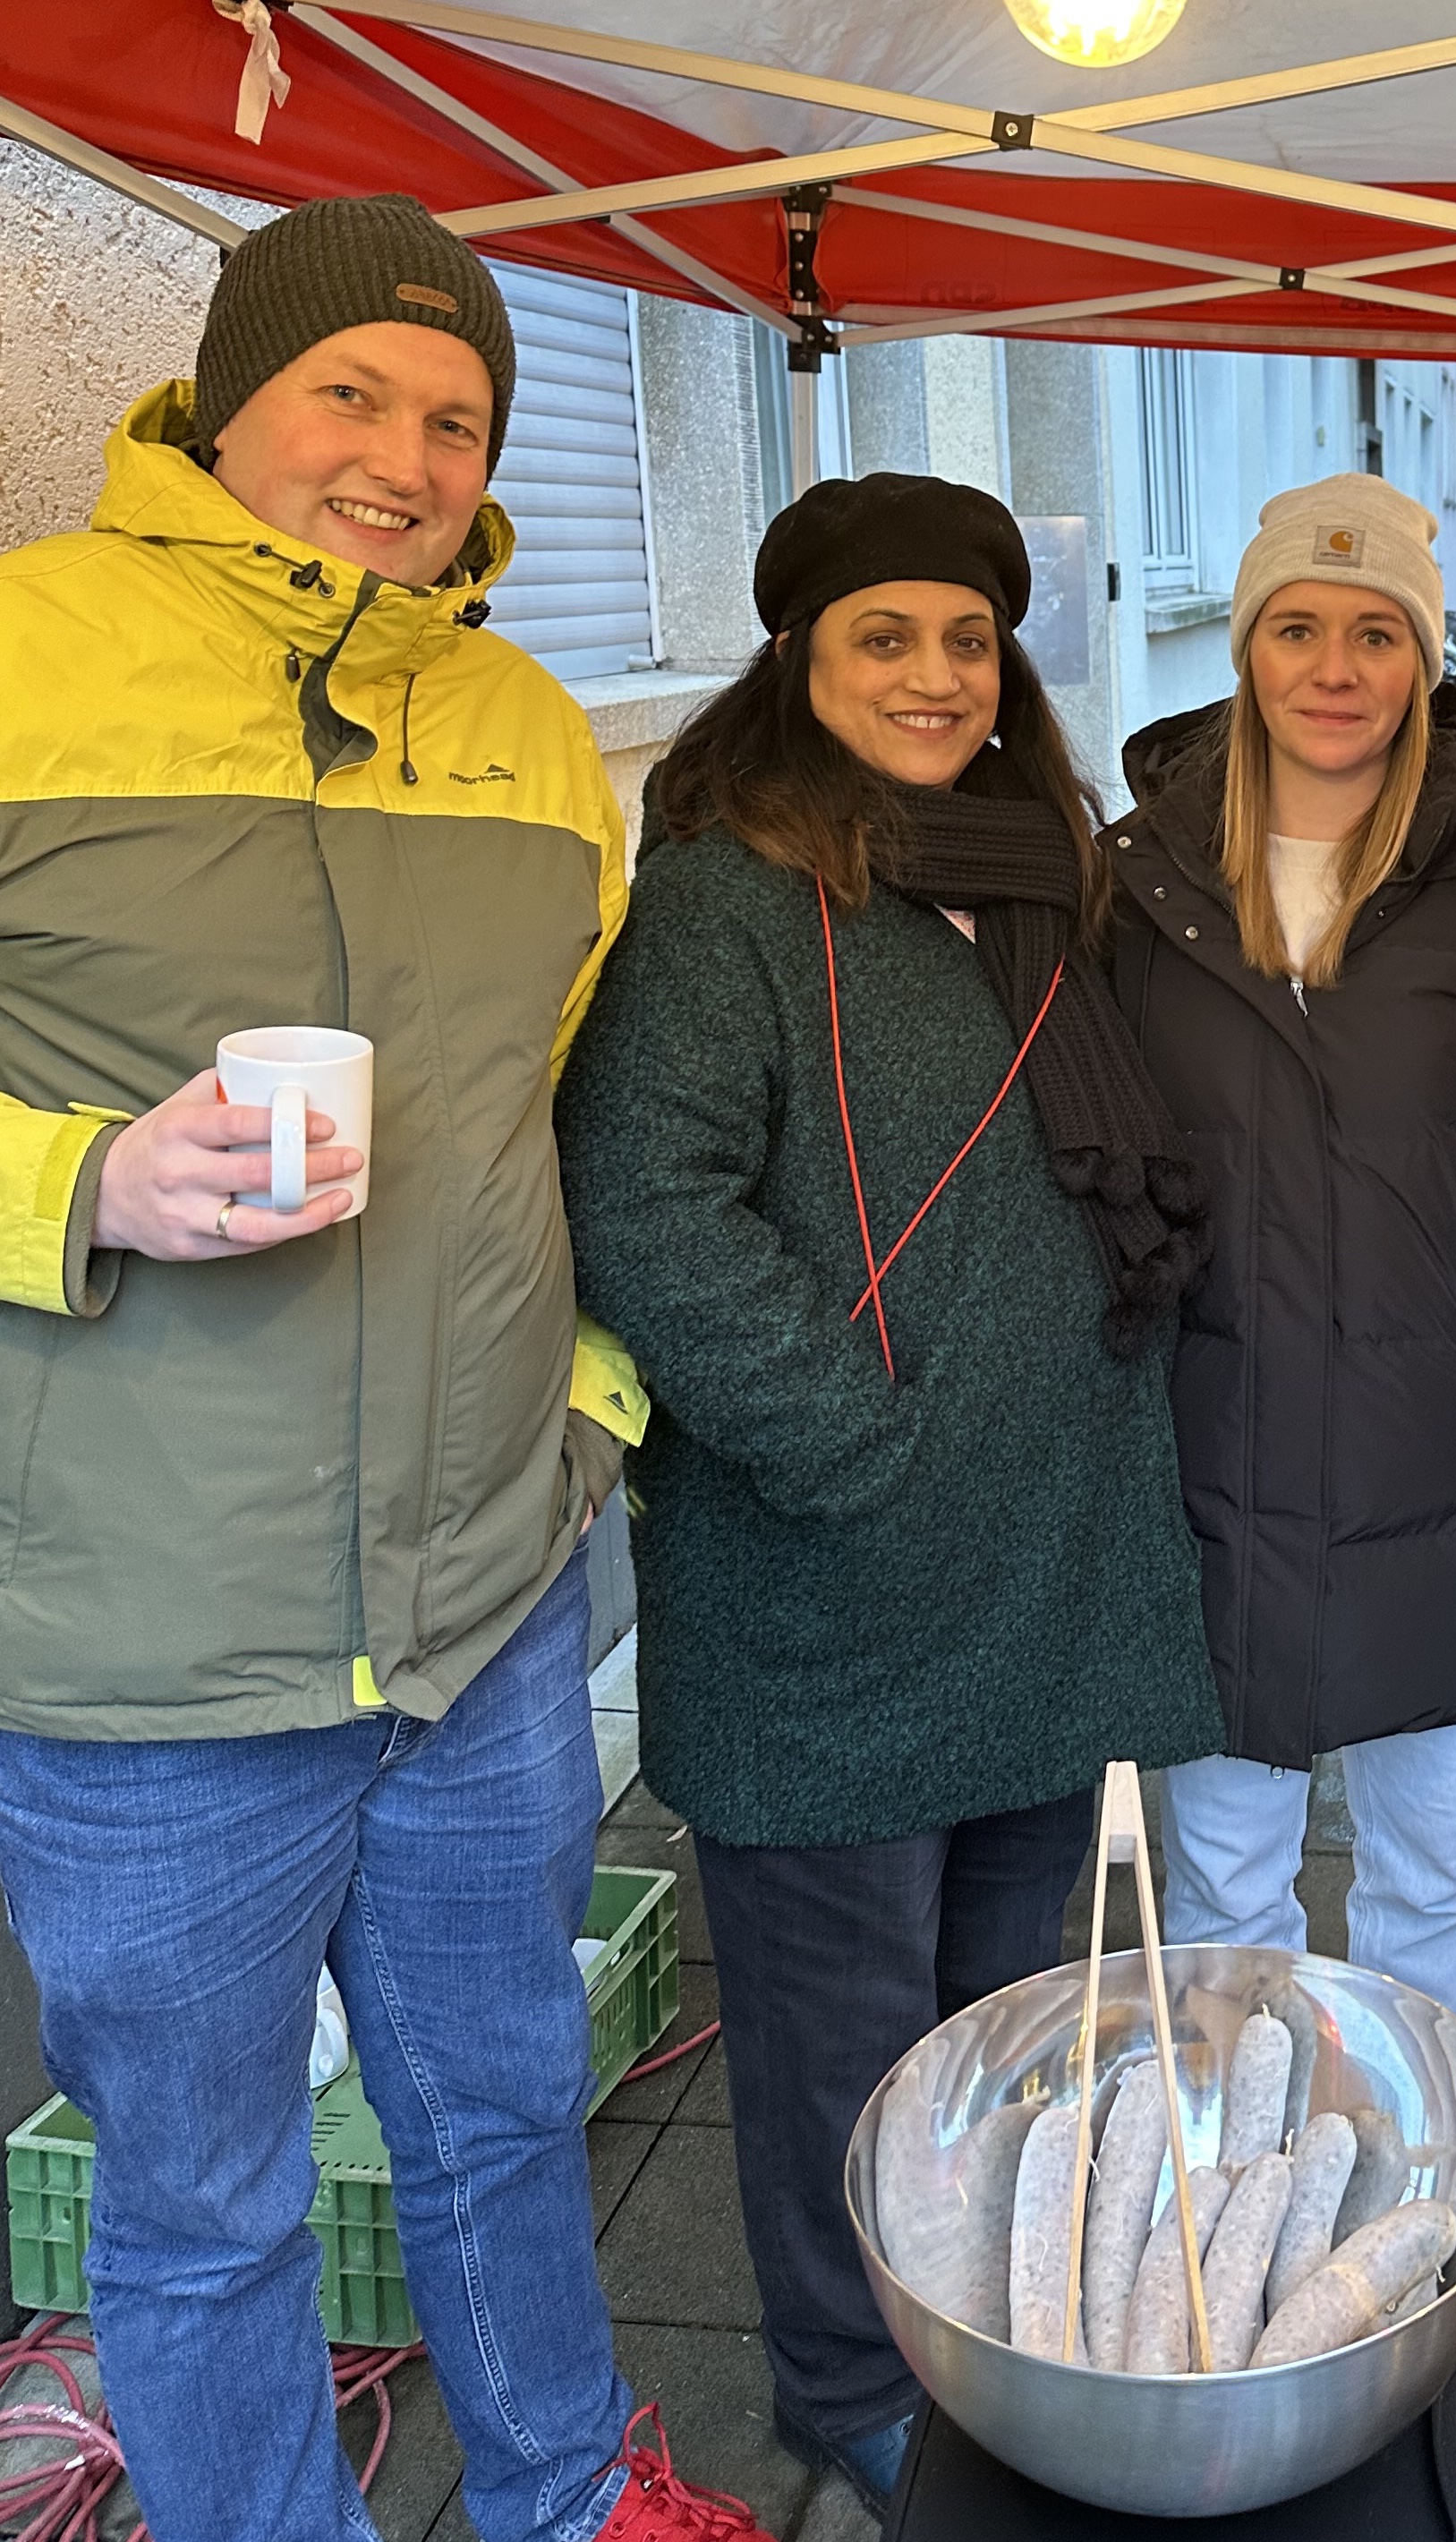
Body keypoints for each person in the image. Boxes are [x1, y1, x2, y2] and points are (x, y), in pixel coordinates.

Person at [0, 196, 768, 2542]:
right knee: (208, 2212)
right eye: (350, 390)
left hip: (489, 1619)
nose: (403, 454)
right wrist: (85, 1190)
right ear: (227, 400)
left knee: (508, 2114)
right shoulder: (28, 654)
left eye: (455, 415)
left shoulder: (534, 733)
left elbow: (569, 1125)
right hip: (146, 1656)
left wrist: (591, 1415)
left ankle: (560, 2495)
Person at [555, 471, 1225, 2510]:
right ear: (798, 662)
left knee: (1004, 2020)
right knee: (842, 2050)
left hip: (1051, 1556)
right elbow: (643, 1210)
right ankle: (852, 2383)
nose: (934, 676)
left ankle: (980, 2335)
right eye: (882, 637)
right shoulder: (728, 897)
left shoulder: (1049, 874)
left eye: (964, 637)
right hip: (833, 1585)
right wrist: (859, 1440)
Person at [1108, 476, 1456, 2019]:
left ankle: (1418, 2188)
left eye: (1375, 633)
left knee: (1429, 1862)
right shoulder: (1145, 890)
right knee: (1222, 1878)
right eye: (1296, 627)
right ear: (1246, 651)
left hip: (1444, 1467)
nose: (1334, 669)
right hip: (1217, 1464)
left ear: (1424, 658)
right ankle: (1243, 2193)